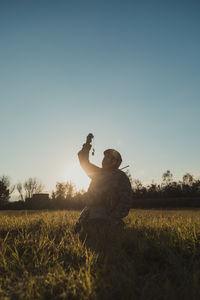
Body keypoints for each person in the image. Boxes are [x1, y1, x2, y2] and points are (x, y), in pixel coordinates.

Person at [74, 133, 132, 232]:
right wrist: (87, 144)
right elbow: (83, 161)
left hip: (106, 218)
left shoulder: (121, 177)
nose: (103, 159)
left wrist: (112, 218)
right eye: (104, 157)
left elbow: (125, 202)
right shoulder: (97, 173)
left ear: (115, 162)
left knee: (100, 234)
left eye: (108, 157)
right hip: (88, 215)